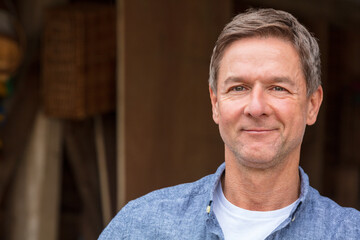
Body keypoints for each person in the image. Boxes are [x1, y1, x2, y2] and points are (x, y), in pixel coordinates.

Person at [99, 8, 360, 239]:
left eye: (278, 88)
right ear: (215, 104)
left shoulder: (348, 232)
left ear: (312, 104)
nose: (256, 108)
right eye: (238, 88)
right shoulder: (142, 226)